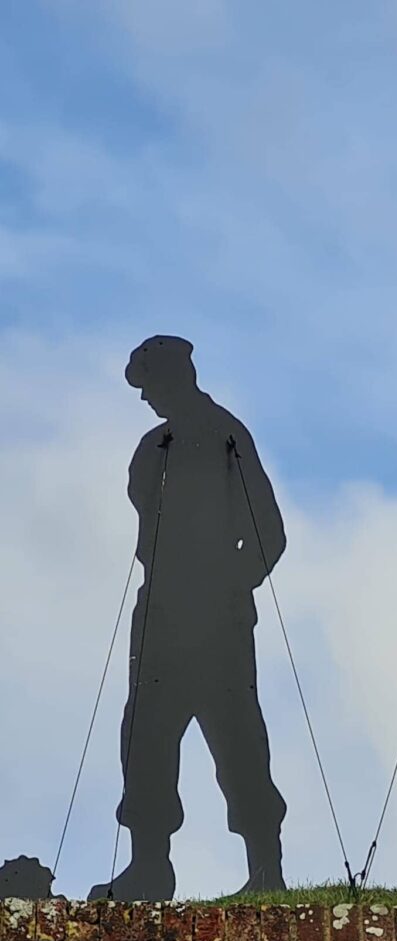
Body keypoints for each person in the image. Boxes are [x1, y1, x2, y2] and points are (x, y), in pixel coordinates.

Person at [89, 336, 287, 900]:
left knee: (237, 737)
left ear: (178, 375)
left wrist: (229, 584)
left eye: (150, 385)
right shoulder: (151, 447)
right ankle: (150, 867)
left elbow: (269, 531)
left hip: (217, 618)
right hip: (160, 615)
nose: (147, 398)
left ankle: (265, 870)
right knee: (146, 737)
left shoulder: (228, 434)